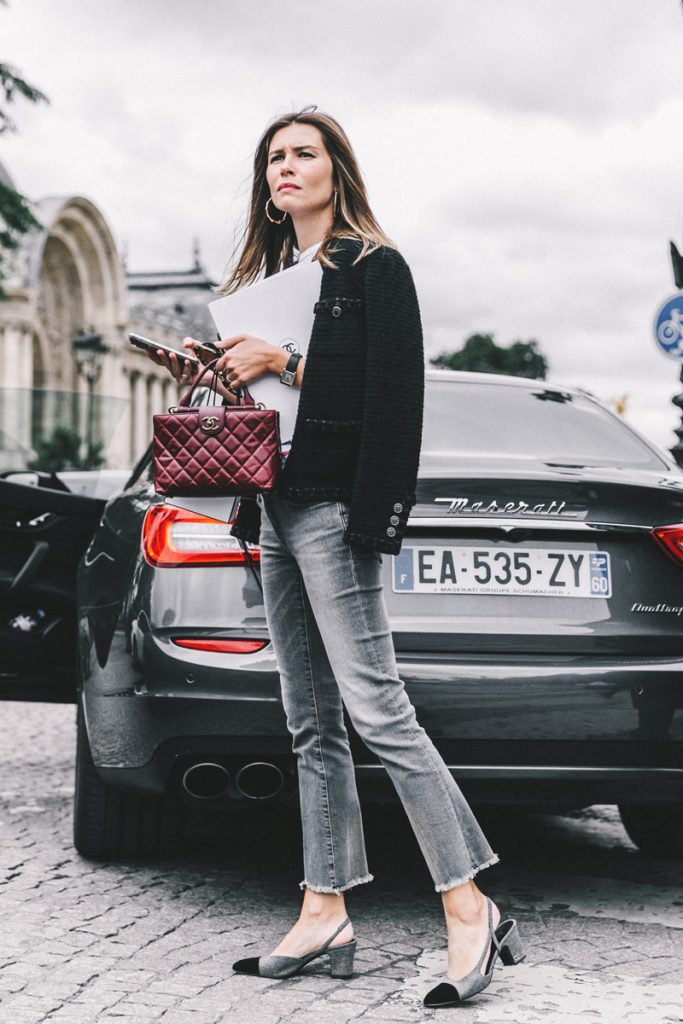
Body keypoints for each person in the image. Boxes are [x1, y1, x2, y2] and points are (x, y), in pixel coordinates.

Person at [148, 107, 525, 1008]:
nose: (286, 167)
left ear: (335, 169)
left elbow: (395, 395)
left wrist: (292, 359)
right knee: (308, 719)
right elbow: (270, 403)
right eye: (274, 157)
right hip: (274, 506)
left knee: (377, 709)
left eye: (303, 153)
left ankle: (470, 903)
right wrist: (218, 372)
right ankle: (325, 912)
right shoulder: (269, 279)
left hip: (332, 511)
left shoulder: (374, 268)